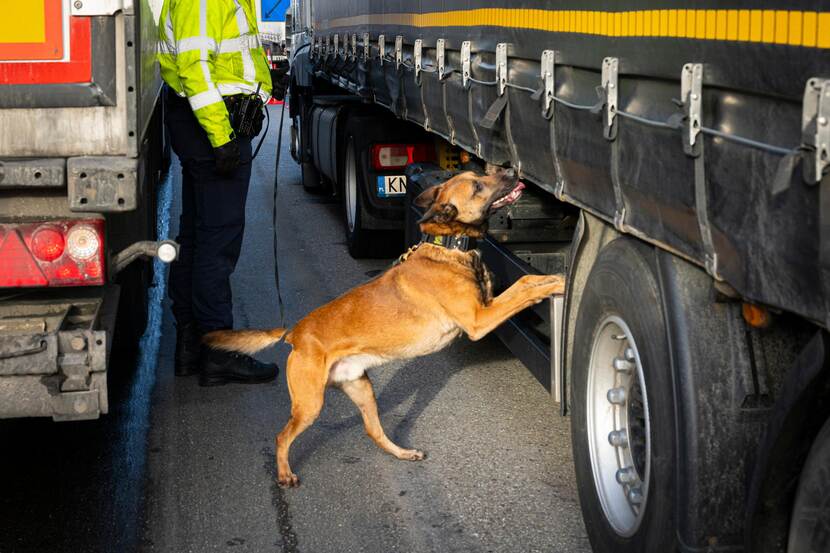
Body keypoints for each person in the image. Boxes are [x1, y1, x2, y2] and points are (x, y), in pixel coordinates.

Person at [158, 0, 282, 386]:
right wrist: (222, 137)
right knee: (217, 243)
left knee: (196, 237)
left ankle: (192, 347)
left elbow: (232, 56)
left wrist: (266, 85)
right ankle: (220, 352)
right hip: (212, 126)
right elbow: (194, 68)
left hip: (205, 123)